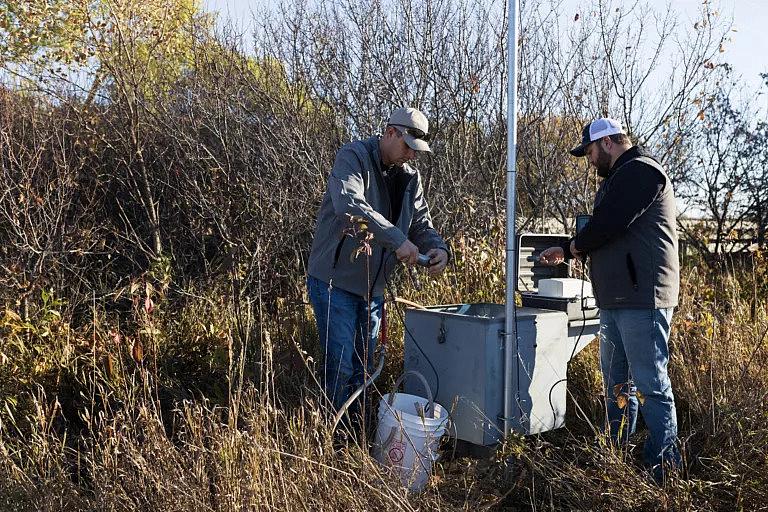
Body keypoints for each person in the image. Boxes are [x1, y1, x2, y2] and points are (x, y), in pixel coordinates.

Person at [539, 117, 681, 479]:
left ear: (606, 143)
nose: (588, 159)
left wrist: (571, 247)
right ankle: (617, 451)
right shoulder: (619, 179)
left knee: (650, 384)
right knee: (618, 384)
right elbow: (605, 229)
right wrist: (572, 249)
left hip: (641, 299)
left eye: (588, 151)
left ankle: (663, 467)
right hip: (617, 300)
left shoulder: (640, 171)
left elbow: (611, 224)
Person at [306, 107, 449, 420]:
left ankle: (353, 436)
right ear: (390, 133)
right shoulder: (353, 157)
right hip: (334, 284)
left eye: (416, 150)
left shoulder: (410, 178)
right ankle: (332, 440)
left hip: (372, 292)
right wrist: (397, 239)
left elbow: (421, 224)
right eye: (407, 146)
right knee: (341, 365)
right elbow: (349, 205)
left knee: (364, 368)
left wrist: (438, 248)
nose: (411, 155)